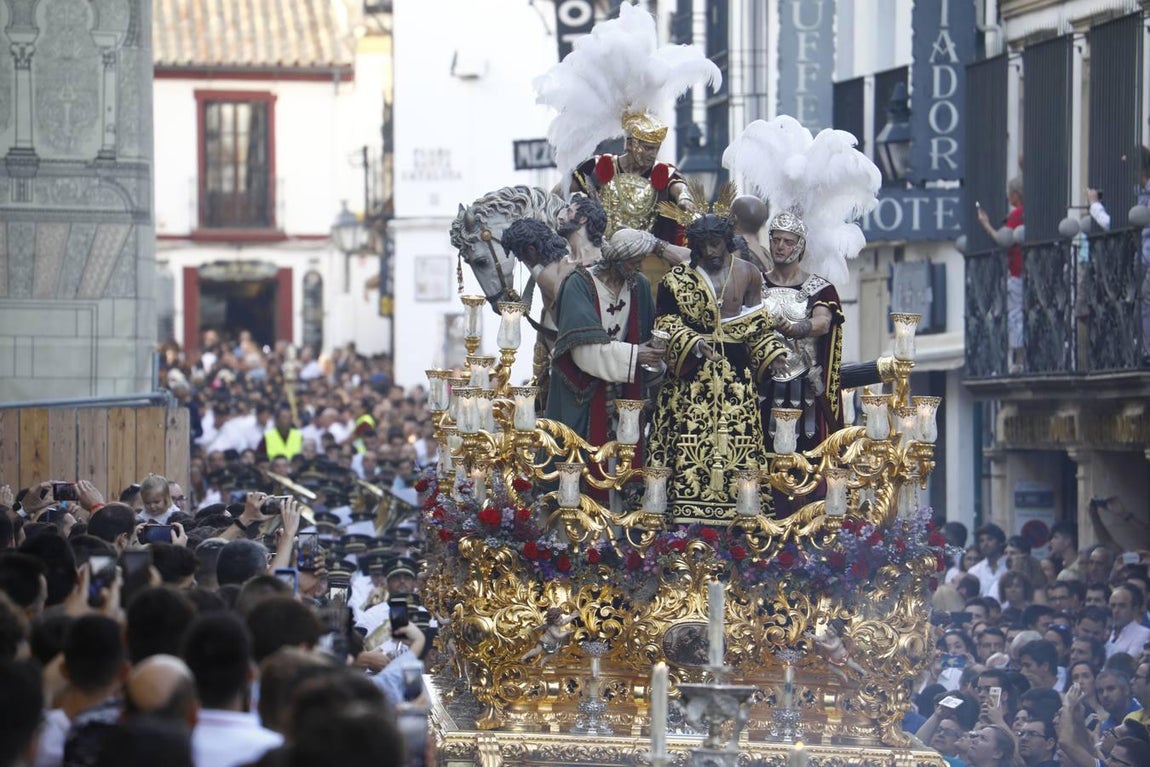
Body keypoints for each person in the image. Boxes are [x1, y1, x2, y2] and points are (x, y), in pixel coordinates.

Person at [647, 215, 787, 524]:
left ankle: (745, 514)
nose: (711, 251)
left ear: (728, 243)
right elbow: (665, 324)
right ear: (694, 247)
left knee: (738, 444)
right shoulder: (676, 280)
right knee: (687, 441)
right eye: (703, 246)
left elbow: (757, 325)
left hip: (735, 380)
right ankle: (685, 514)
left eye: (716, 244)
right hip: (691, 378)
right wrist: (695, 343)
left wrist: (772, 351)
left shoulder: (749, 274)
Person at [546, 228, 663, 446]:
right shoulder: (578, 284)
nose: (639, 267)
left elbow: (646, 338)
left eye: (641, 261)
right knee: (577, 457)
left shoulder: (640, 285)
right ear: (615, 260)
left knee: (625, 459)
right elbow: (583, 352)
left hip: (623, 391)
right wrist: (636, 355)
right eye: (633, 262)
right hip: (581, 389)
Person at [759, 210, 846, 456]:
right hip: (760, 383)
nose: (780, 247)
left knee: (811, 458)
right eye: (776, 240)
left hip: (805, 387)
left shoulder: (820, 288)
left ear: (799, 246)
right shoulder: (755, 283)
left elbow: (823, 322)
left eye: (787, 242)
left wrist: (798, 327)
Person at [976, 176, 1024, 371]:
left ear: (1014, 194)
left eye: (1008, 193)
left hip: (1016, 271)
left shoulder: (1017, 215)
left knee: (1015, 314)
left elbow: (1002, 239)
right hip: (1028, 271)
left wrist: (985, 224)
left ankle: (1019, 360)